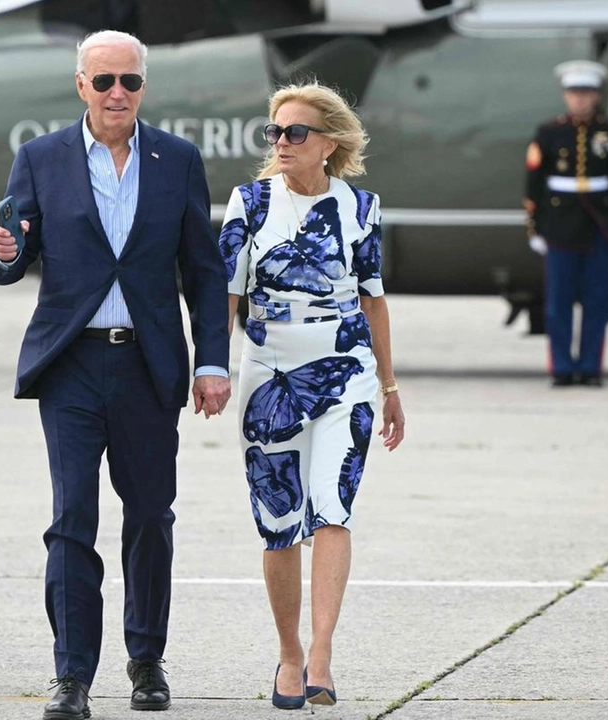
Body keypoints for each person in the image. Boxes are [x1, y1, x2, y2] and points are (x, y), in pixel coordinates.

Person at [0, 30, 231, 720]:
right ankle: (72, 676)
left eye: (130, 81)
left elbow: (204, 273)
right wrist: (5, 251)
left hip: (148, 364)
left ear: (143, 87)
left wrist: (211, 361)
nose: (117, 93)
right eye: (104, 82)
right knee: (71, 519)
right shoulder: (40, 158)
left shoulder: (177, 159)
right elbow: (7, 254)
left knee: (150, 516)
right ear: (80, 84)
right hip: (71, 363)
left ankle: (146, 659)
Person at [218, 83, 405, 710]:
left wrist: (389, 384)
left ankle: (321, 654)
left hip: (346, 371)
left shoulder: (363, 206)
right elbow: (228, 297)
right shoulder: (249, 204)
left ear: (328, 143)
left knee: (332, 507)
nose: (281, 143)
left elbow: (374, 297)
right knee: (278, 522)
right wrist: (210, 368)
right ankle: (289, 653)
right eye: (274, 132)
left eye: (295, 133)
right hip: (267, 373)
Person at [524, 60, 608, 387]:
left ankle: (589, 367)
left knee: (597, 301)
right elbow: (534, 184)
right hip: (559, 224)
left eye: (586, 93)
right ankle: (561, 367)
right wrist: (535, 228)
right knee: (558, 302)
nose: (580, 99)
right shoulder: (549, 132)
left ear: (596, 96)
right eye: (575, 92)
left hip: (598, 223)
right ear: (565, 95)